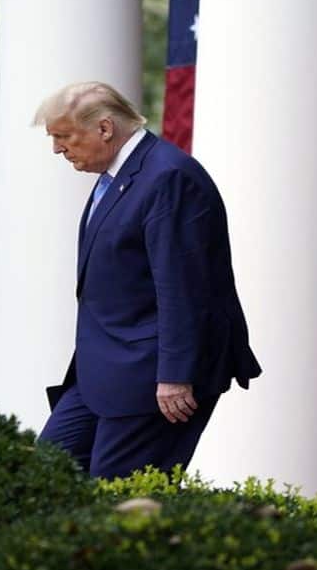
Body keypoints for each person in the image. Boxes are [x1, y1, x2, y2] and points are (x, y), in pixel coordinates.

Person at [35, 81, 260, 479]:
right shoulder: (118, 177)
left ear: (104, 128)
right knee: (43, 478)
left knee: (120, 505)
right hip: (101, 373)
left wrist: (176, 376)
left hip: (154, 379)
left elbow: (183, 287)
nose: (57, 149)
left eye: (64, 136)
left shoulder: (168, 177)